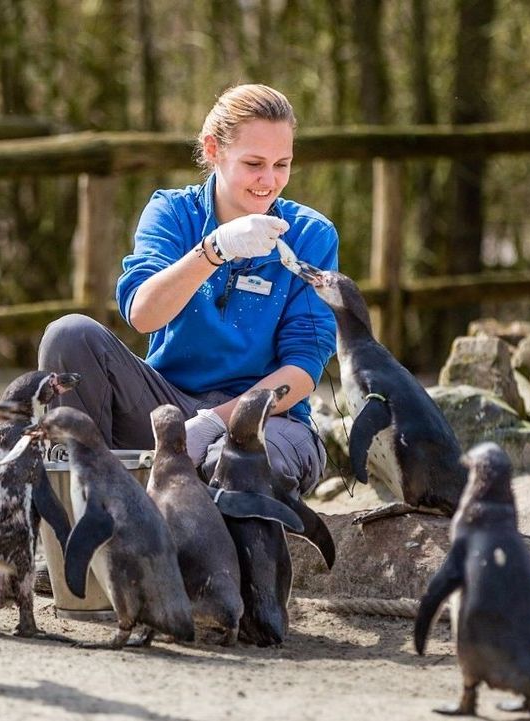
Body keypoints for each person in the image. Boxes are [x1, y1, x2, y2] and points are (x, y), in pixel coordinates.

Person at [38, 83, 338, 498]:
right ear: (213, 150)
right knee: (68, 334)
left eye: (282, 164)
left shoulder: (311, 234)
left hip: (270, 419)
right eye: (254, 163)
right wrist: (213, 251)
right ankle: (74, 522)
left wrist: (217, 422)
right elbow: (143, 315)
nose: (269, 181)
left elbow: (304, 370)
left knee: (233, 465)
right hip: (165, 410)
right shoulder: (172, 213)